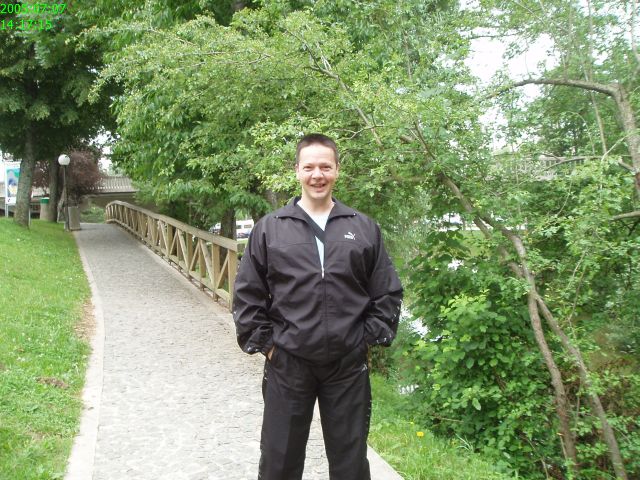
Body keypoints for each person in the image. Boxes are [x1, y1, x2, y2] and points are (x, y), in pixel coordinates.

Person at [232, 133, 403, 480]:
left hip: (346, 366)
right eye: (309, 167)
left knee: (350, 464)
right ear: (297, 171)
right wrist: (269, 346)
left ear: (337, 169)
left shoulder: (362, 228)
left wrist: (364, 340)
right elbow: (247, 294)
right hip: (288, 363)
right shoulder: (270, 229)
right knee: (279, 462)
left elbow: (387, 292)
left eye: (325, 167)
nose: (317, 175)